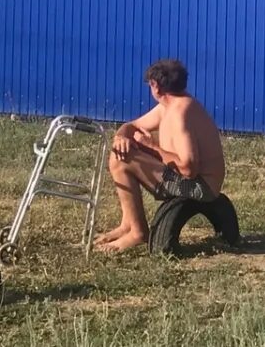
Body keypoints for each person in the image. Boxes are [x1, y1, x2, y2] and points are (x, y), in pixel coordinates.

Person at [94, 58, 226, 252]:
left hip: (200, 187)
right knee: (122, 150)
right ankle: (127, 224)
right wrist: (121, 136)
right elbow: (132, 126)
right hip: (196, 179)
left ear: (155, 86)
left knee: (121, 159)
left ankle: (137, 232)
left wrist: (152, 147)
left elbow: (189, 168)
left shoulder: (180, 114)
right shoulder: (171, 105)